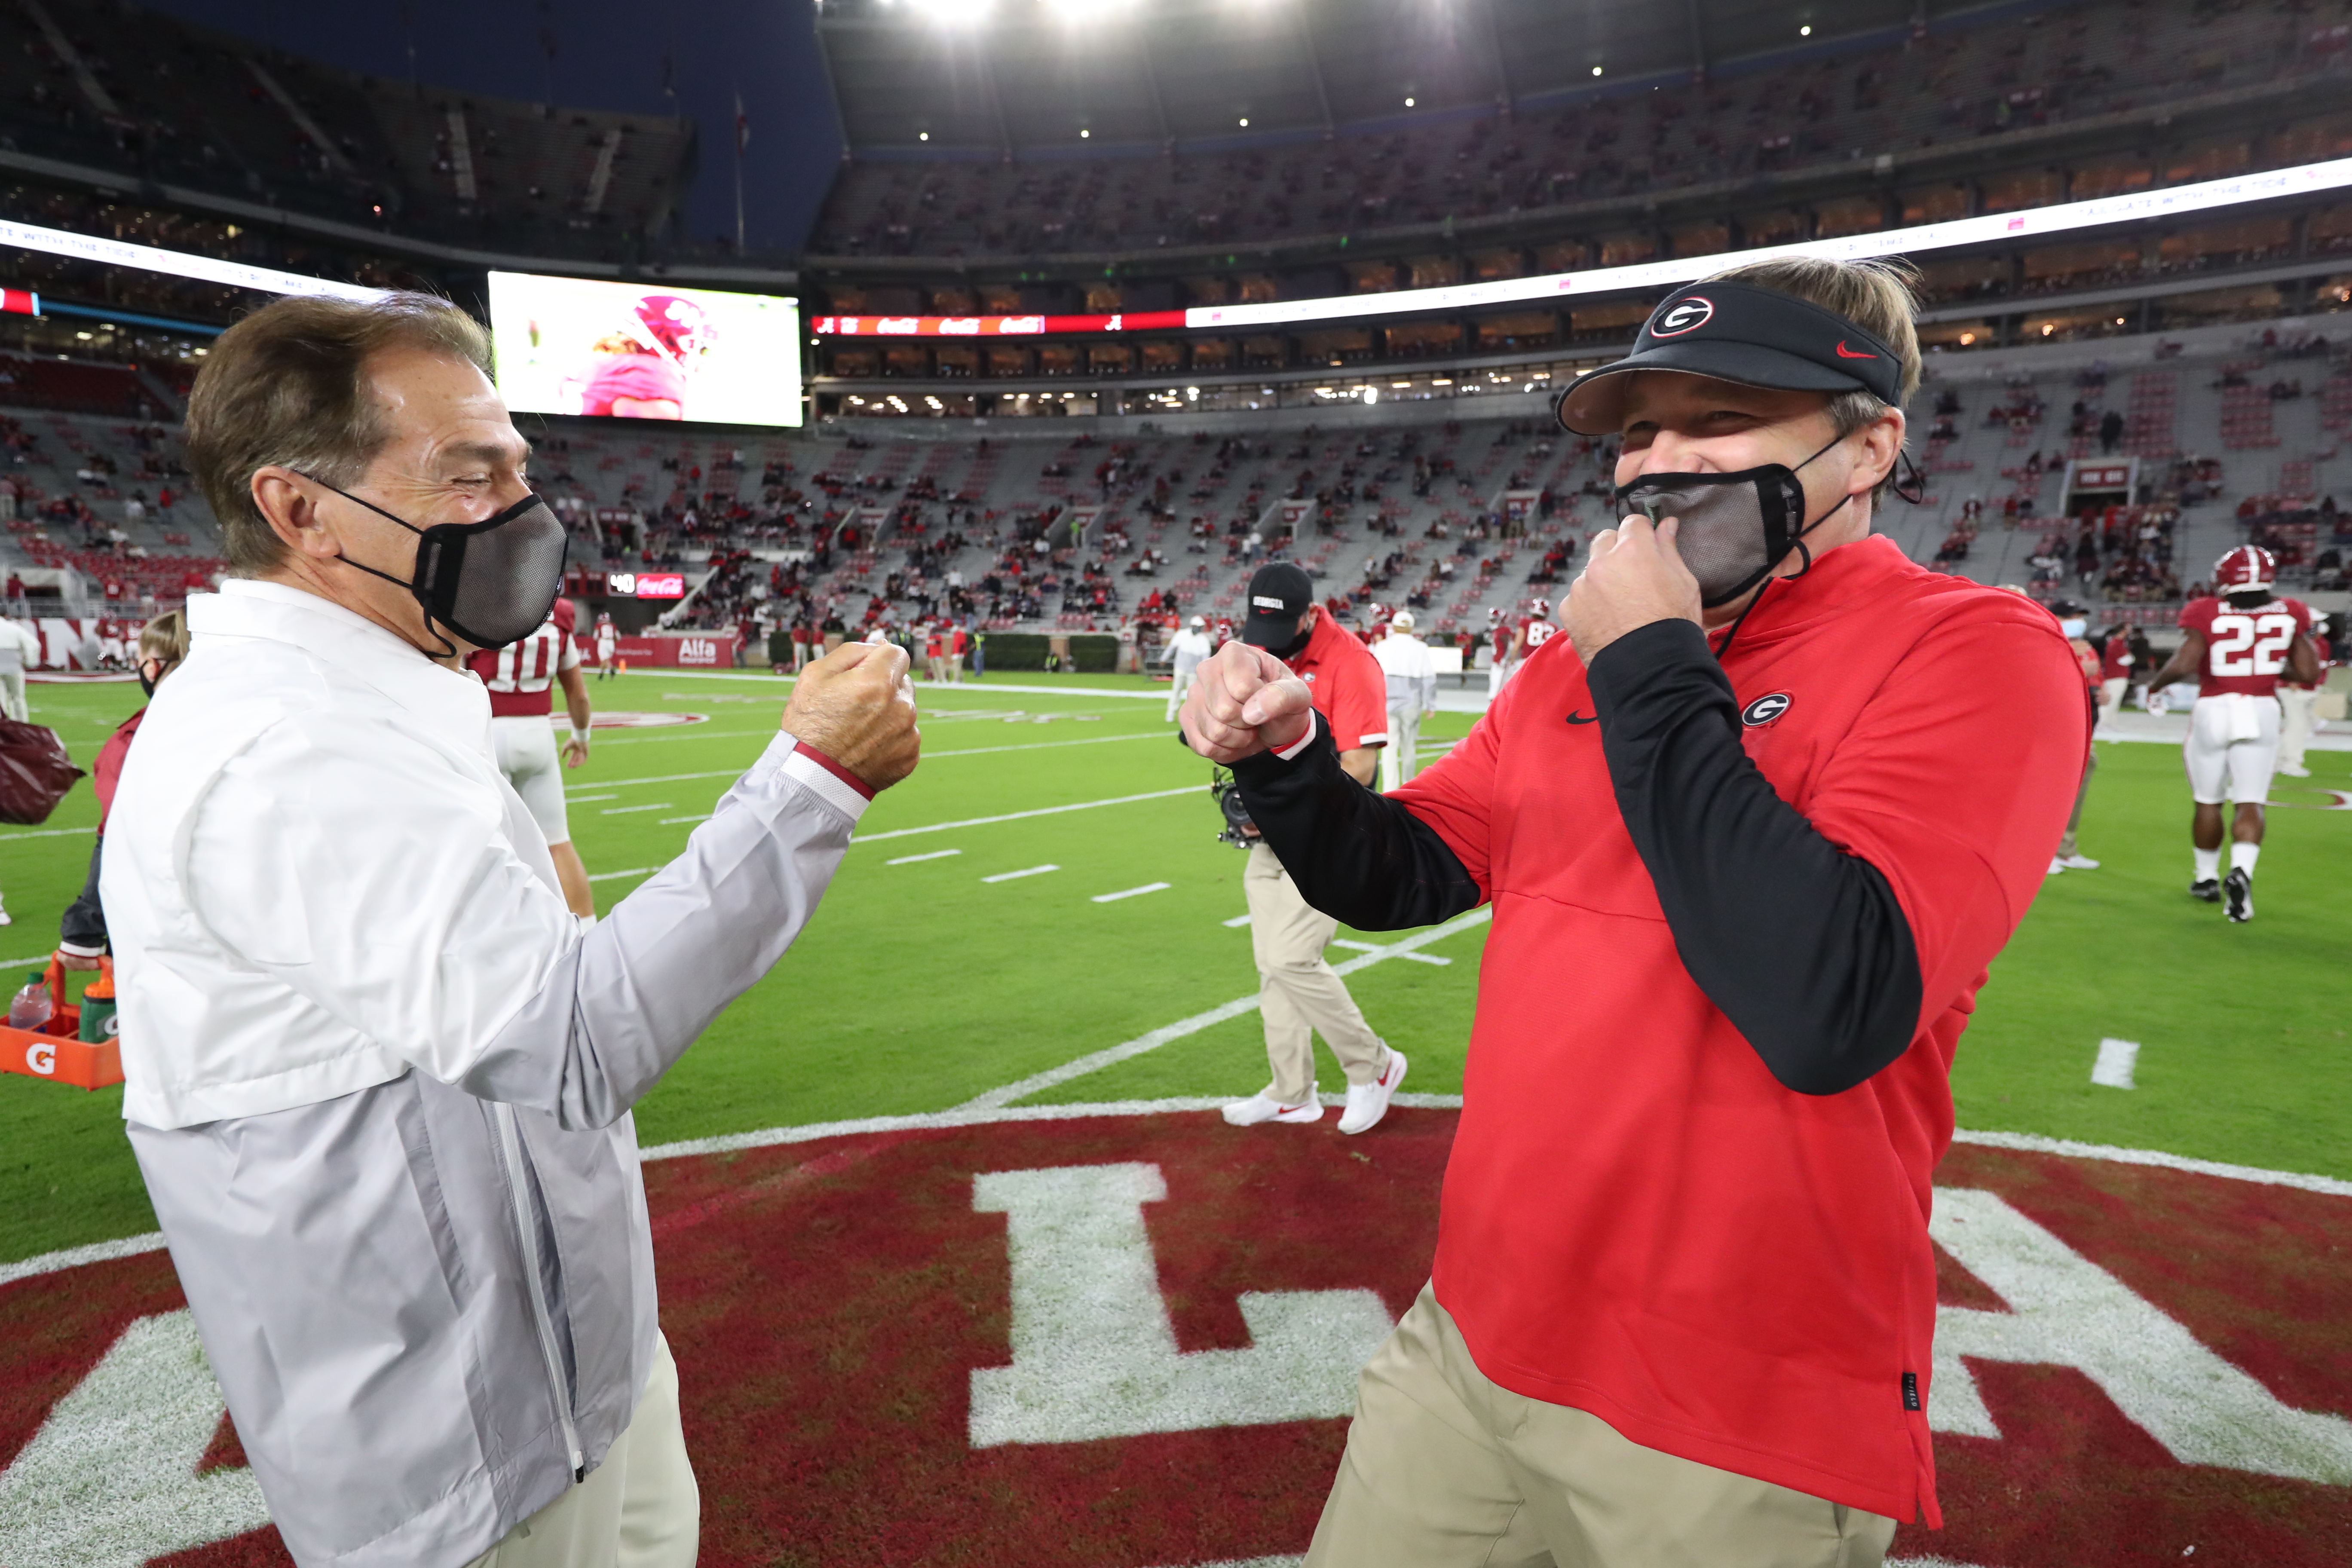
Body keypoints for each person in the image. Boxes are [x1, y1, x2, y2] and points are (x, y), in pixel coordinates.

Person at [1183, 259, 2084, 1568]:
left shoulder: (1978, 652)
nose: (1660, 464)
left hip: (1735, 1399)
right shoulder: (1566, 665)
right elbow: (1408, 872)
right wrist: (1288, 762)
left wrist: (1654, 661)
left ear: (1868, 444)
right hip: (1476, 1330)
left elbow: (1829, 1004)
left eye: (1719, 420)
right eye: (1637, 431)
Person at [103, 291, 919, 1568]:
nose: (522, 514)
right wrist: (811, 784)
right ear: (300, 511)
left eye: (519, 471)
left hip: (573, 1373)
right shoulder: (282, 743)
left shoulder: (383, 690)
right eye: (467, 476)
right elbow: (564, 1040)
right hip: (461, 1460)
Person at [1198, 562, 1406, 1135]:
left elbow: (1361, 768)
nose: (1271, 643)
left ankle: (1375, 1067)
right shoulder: (1264, 651)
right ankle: (1293, 1093)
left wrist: (1283, 798)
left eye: (1282, 628)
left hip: (1334, 834)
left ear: (1311, 615)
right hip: (1276, 836)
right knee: (1273, 968)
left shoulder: (1352, 663)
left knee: (1292, 958)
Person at [2136, 544, 2318, 921]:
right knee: (2250, 801)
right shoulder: (2290, 611)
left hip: (2215, 707)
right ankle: (2242, 872)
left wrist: (2154, 686)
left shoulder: (2206, 609)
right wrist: (2265, 669)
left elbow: (2187, 661)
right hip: (2262, 708)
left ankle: (2205, 878)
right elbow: (2307, 673)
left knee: (2208, 800)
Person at [56, 612, 187, 968]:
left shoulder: (139, 735)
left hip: (155, 910)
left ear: (153, 667)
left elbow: (116, 832)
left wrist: (84, 924)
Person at [467, 597, 598, 917]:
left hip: (486, 734)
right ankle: (588, 932)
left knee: (479, 849)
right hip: (538, 736)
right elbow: (578, 694)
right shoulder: (559, 615)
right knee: (558, 843)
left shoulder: (480, 604)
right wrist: (581, 738)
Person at [2046, 600, 2102, 873]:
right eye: (2071, 616)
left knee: (2080, 777)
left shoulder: (2084, 645)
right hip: (2048, 725)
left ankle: (2065, 849)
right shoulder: (2044, 640)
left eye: (2080, 616)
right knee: (2045, 788)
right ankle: (2041, 854)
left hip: (2079, 723)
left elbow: (2092, 677)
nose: (2077, 621)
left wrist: (2098, 688)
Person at [1372, 609, 1437, 791]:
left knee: (1389, 748)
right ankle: (1408, 787)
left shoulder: (1382, 646)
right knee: (1409, 747)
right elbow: (1429, 679)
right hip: (1412, 702)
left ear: (1394, 626)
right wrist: (1430, 704)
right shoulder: (1420, 648)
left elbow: (1374, 675)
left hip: (1388, 703)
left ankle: (1390, 790)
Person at [2275, 620, 2328, 778]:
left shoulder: (2316, 643)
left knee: (2298, 725)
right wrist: (2293, 683)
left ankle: (2281, 760)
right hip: (2294, 689)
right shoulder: (2297, 643)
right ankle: (2291, 763)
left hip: (2303, 689)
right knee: (2297, 727)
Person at [1164, 614, 1214, 723]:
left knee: (1192, 695)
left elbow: (1206, 658)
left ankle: (1191, 717)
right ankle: (1170, 715)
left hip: (1193, 672)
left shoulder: (1203, 640)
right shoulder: (1182, 635)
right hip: (1180, 669)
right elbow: (1172, 648)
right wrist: (1164, 658)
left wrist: (1205, 671)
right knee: (1176, 691)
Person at [2097, 617, 2135, 728]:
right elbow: (2124, 660)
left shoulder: (2118, 643)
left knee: (2115, 702)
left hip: (2117, 676)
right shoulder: (2116, 644)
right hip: (2116, 676)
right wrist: (2130, 658)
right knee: (2111, 701)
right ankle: (2102, 723)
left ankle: (2110, 723)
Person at [0, 611, 35, 721]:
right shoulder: (15, 628)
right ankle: (21, 723)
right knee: (18, 698)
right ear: (6, 616)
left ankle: (2, 726)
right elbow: (34, 645)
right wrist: (29, 662)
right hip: (14, 667)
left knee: (1, 700)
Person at [595, 609, 620, 678]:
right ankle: (601, 674)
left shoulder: (599, 626)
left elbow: (595, 637)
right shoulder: (613, 626)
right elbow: (618, 637)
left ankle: (611, 669)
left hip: (603, 641)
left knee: (604, 659)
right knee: (606, 659)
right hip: (611, 643)